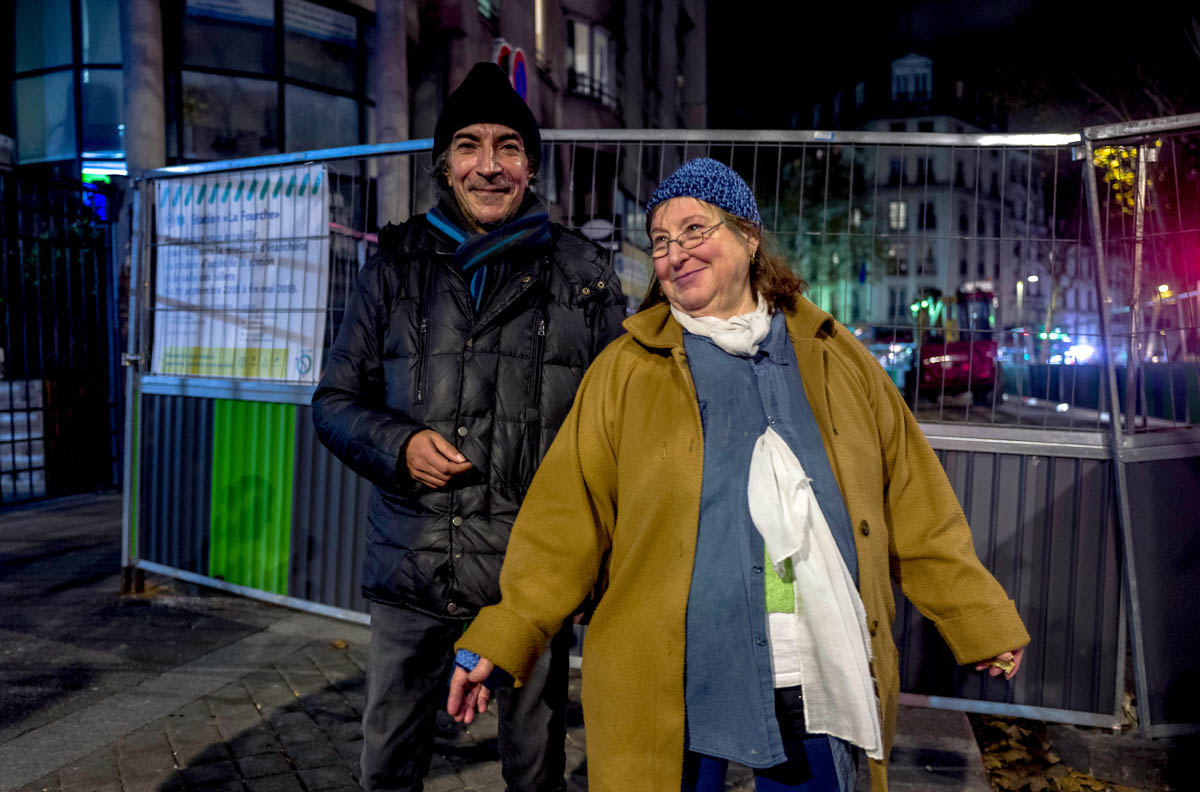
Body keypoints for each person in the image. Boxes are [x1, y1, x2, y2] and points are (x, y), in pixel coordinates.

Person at [447, 158, 1030, 791]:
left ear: (749, 237)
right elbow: (565, 521)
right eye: (662, 241)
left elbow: (915, 501)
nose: (675, 254)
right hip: (676, 669)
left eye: (696, 230)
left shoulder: (838, 358)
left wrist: (977, 616)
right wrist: (506, 635)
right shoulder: (627, 370)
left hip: (810, 659)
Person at [311, 61, 625, 792]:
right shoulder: (392, 266)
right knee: (387, 762)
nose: (489, 165)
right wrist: (399, 446)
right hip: (412, 564)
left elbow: (622, 428)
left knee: (535, 770)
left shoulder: (585, 274)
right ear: (443, 164)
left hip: (528, 577)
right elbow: (332, 402)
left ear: (532, 165)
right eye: (469, 145)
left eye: (509, 146)